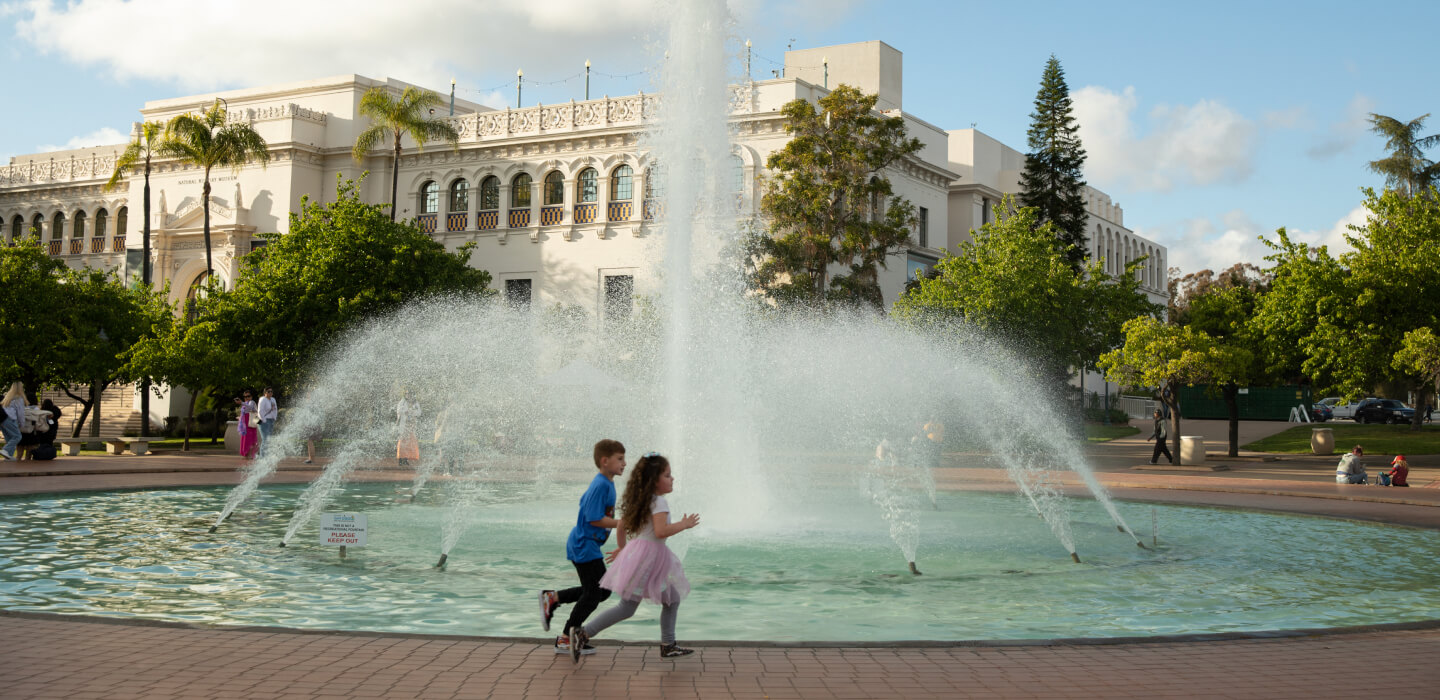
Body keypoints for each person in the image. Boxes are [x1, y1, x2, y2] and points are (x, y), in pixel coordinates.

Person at [570, 452, 700, 663]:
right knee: (627, 607)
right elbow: (660, 532)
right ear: (654, 480)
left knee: (671, 599)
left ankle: (668, 645)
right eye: (667, 475)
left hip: (642, 556)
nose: (672, 478)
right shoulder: (659, 503)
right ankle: (583, 633)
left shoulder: (644, 499)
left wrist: (624, 549)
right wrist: (683, 525)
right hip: (649, 559)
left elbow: (621, 525)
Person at [539, 439, 626, 657]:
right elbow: (593, 518)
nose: (625, 463)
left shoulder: (607, 483)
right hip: (584, 544)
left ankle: (552, 598)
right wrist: (620, 524)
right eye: (620, 459)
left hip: (588, 544)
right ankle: (566, 637)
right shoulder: (600, 484)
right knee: (594, 593)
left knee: (602, 591)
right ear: (605, 461)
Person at [395, 389, 421, 467]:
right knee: (402, 442)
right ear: (405, 395)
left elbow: (419, 412)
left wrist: (413, 412)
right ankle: (400, 459)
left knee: (409, 442)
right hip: (404, 425)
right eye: (407, 394)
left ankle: (406, 459)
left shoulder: (415, 403)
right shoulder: (402, 402)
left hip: (411, 426)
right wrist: (406, 411)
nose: (409, 395)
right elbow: (398, 410)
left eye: (410, 394)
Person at [1, 381, 25, 461]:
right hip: (9, 418)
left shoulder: (7, 397)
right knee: (17, 436)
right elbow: (20, 413)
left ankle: (8, 456)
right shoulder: (18, 398)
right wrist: (22, 424)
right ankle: (5, 450)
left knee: (9, 438)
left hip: (2, 419)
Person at [234, 390, 258, 459]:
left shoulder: (252, 402)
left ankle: (251, 455)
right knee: (245, 438)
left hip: (250, 422)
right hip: (245, 424)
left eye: (248, 396)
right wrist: (240, 418)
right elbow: (244, 413)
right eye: (245, 396)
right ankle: (246, 454)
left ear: (251, 396)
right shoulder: (244, 404)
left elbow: (250, 407)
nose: (247, 398)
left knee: (251, 439)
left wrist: (241, 402)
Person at [256, 387, 278, 455]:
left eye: (271, 391)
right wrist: (264, 420)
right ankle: (262, 457)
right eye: (269, 391)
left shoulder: (273, 399)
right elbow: (260, 411)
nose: (270, 393)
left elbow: (275, 409)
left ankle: (267, 455)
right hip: (264, 421)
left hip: (271, 420)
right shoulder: (262, 399)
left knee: (269, 439)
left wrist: (274, 418)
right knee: (265, 439)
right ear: (265, 393)